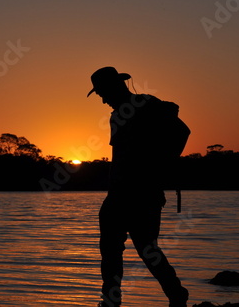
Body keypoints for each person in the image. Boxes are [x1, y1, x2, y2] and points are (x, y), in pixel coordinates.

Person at [87, 67, 189, 307]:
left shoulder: (146, 106)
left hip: (142, 193)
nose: (102, 99)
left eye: (103, 93)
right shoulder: (118, 115)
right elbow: (120, 156)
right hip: (119, 194)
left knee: (145, 249)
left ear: (116, 86)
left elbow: (183, 131)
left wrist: (162, 163)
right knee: (112, 248)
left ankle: (176, 294)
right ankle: (112, 299)